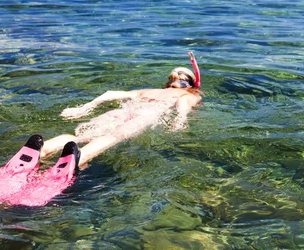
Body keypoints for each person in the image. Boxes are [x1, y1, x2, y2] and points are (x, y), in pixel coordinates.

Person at [40, 52, 202, 168]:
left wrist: (87, 106)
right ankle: (79, 159)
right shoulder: (189, 93)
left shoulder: (149, 91)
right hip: (145, 115)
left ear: (167, 82)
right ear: (191, 84)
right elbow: (183, 102)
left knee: (81, 136)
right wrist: (180, 120)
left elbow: (111, 94)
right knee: (111, 136)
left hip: (120, 113)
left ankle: (45, 148)